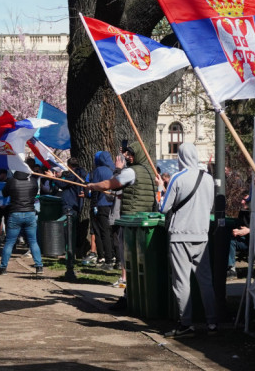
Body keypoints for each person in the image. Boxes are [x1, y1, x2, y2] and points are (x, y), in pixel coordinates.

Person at [159, 142, 219, 338]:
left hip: (180, 235)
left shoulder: (177, 178)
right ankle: (212, 323)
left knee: (182, 282)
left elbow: (164, 208)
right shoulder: (208, 179)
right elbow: (210, 206)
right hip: (202, 234)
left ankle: (186, 323)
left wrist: (161, 189)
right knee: (206, 281)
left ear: (181, 157)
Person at [86, 144, 156, 298]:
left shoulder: (132, 171)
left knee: (128, 258)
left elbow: (110, 185)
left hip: (131, 220)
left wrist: (93, 186)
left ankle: (128, 297)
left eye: (131, 154)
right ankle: (140, 294)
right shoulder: (149, 171)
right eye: (127, 154)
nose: (128, 156)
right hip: (146, 220)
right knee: (141, 260)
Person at [0, 161, 43, 276]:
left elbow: (4, 193)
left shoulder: (12, 181)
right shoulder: (33, 181)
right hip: (30, 212)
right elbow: (34, 193)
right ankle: (39, 266)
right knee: (33, 241)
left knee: (9, 242)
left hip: (15, 212)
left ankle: (3, 267)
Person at [87, 150, 116, 269]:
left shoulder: (99, 170)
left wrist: (93, 205)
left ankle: (107, 259)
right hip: (113, 205)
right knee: (112, 233)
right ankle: (115, 257)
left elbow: (95, 189)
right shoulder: (114, 170)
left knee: (103, 232)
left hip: (102, 205)